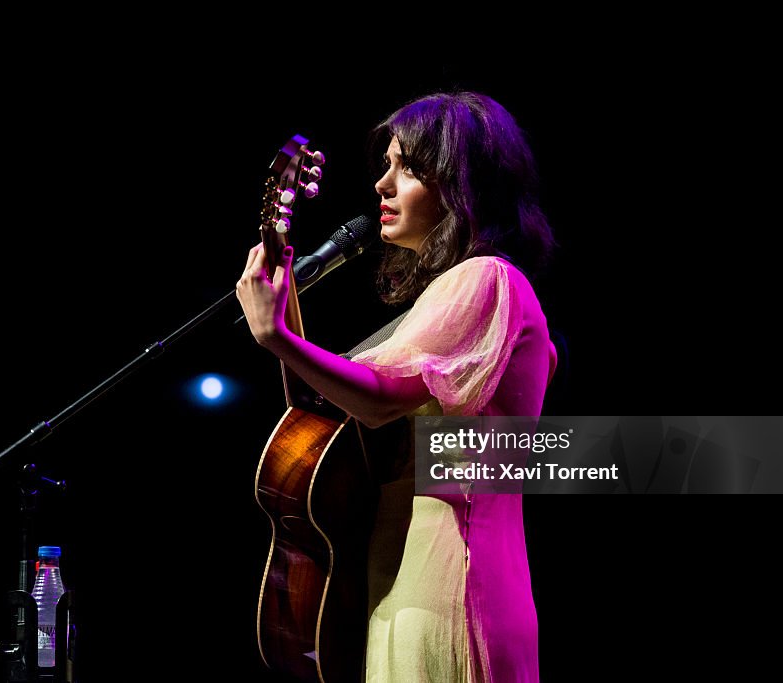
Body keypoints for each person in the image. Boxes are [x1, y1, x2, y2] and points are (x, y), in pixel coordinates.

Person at [236, 91, 558, 682]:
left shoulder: (487, 278)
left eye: (406, 168)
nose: (382, 186)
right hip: (403, 578)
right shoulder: (449, 295)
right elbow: (327, 410)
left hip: (451, 581)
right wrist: (286, 322)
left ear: (461, 183)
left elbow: (382, 399)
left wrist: (278, 337)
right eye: (385, 166)